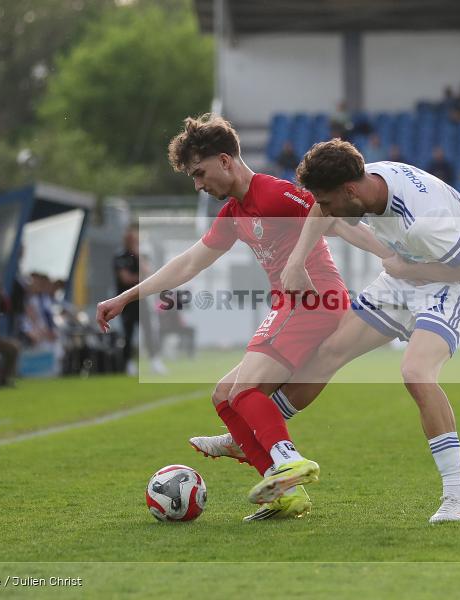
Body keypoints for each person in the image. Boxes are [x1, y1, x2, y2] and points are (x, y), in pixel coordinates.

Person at [96, 114, 389, 521]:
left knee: (244, 390)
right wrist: (127, 297)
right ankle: (286, 494)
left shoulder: (271, 193)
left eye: (200, 173)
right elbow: (189, 262)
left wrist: (391, 255)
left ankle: (286, 459)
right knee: (224, 396)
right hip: (291, 307)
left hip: (312, 299)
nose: (199, 185)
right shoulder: (235, 211)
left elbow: (332, 217)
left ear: (225, 160)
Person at [194, 141, 460, 523]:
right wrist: (297, 260)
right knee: (329, 352)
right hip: (405, 271)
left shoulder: (422, 222)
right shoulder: (360, 178)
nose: (326, 211)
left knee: (415, 372)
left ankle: (456, 498)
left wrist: (406, 270)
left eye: (330, 203)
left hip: (449, 281)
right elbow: (319, 208)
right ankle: (246, 437)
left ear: (350, 191)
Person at [113, 227, 165, 375]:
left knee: (149, 331)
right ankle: (128, 363)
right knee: (128, 333)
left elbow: (148, 272)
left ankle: (155, 361)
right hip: (126, 302)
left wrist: (138, 256)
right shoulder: (120, 257)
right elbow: (125, 278)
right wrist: (141, 281)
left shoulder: (141, 255)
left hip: (142, 301)